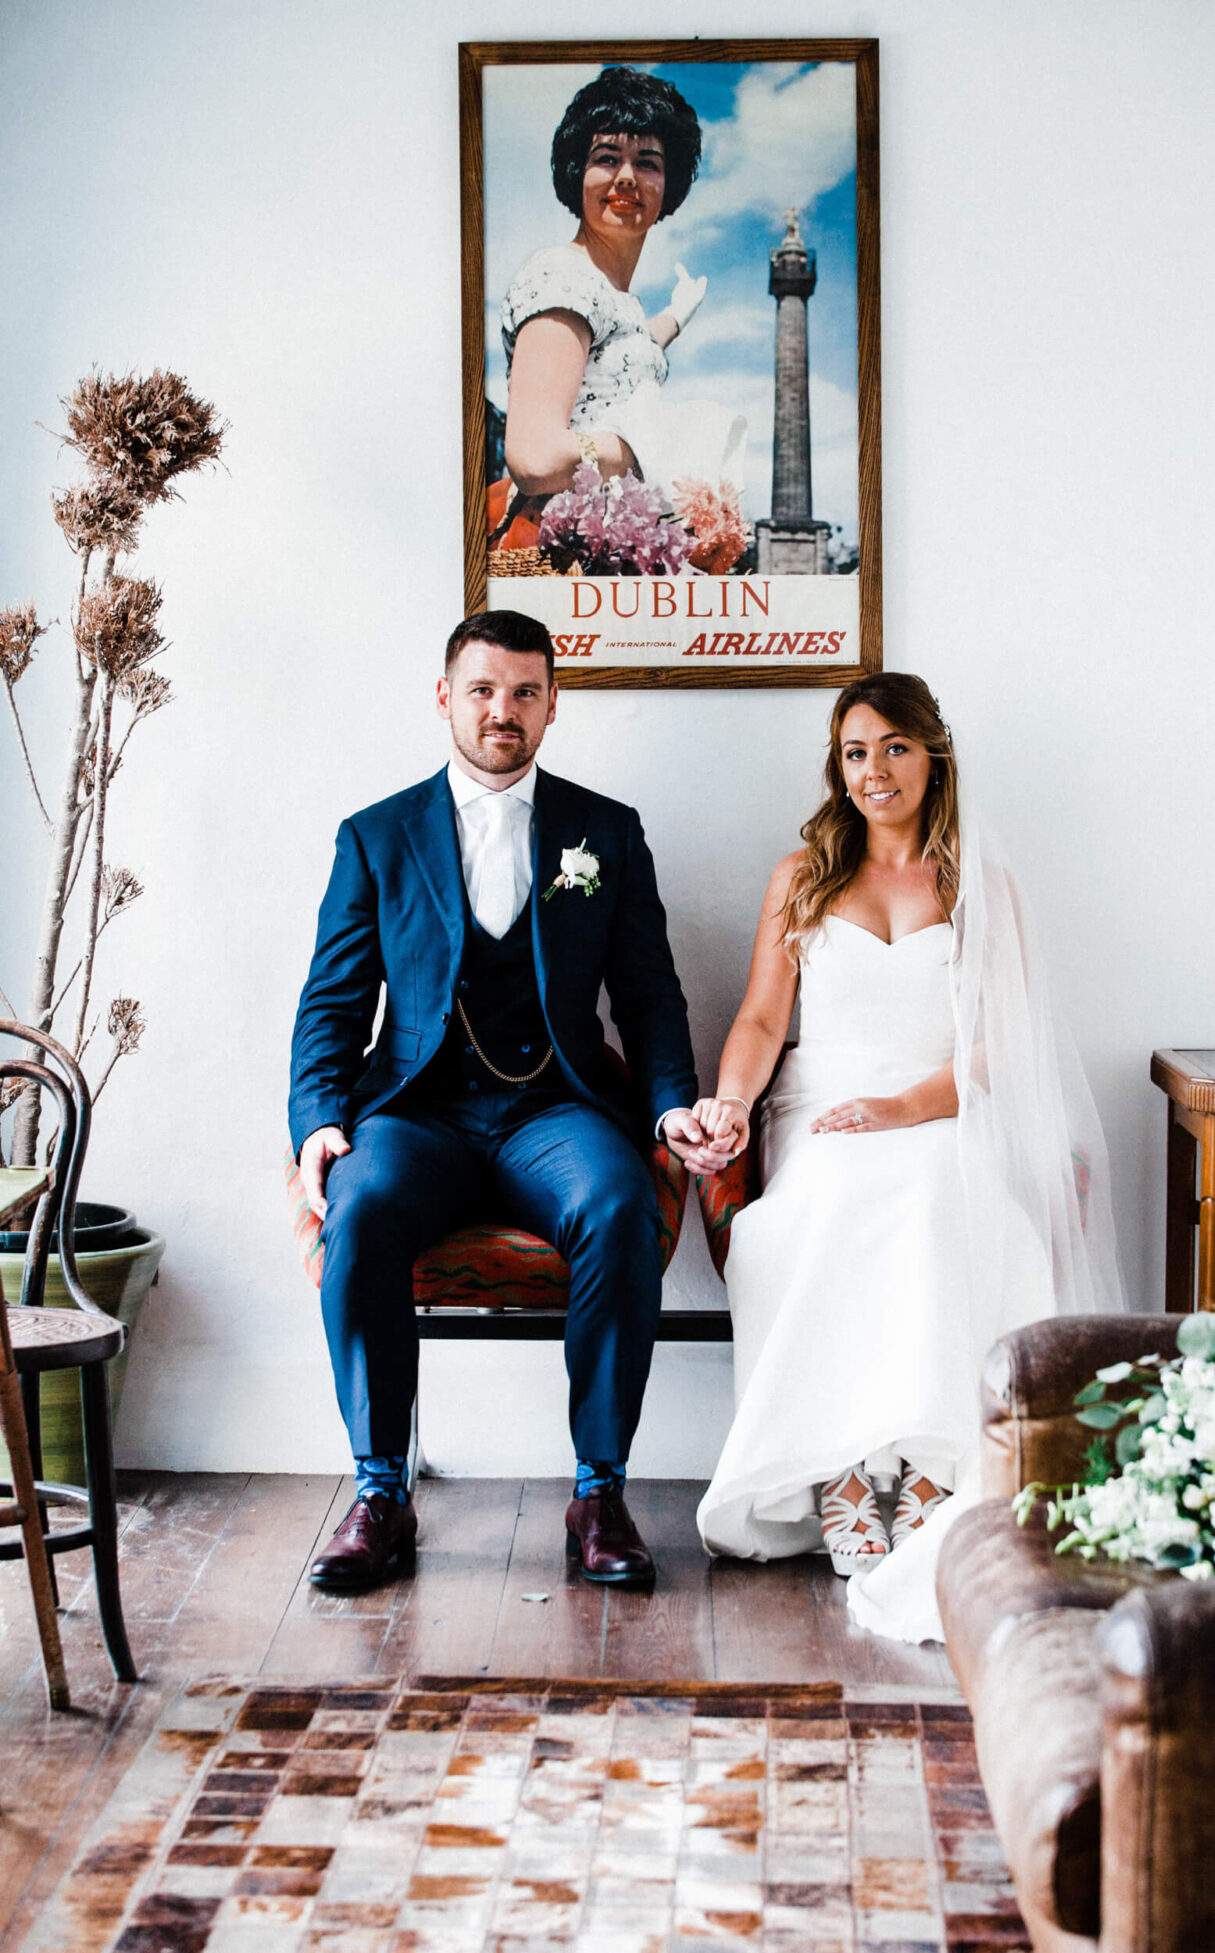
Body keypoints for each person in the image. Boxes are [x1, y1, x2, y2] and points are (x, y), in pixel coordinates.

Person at [288, 608, 730, 1593]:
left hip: (553, 1112)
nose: (503, 710)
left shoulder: (602, 833)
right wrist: (320, 1121)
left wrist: (667, 1107)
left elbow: (650, 995)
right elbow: (333, 1001)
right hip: (419, 1113)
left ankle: (598, 1492)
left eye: (525, 691)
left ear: (552, 705)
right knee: (359, 1212)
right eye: (483, 689)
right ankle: (377, 1496)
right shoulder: (376, 837)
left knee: (618, 1204)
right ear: (444, 697)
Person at [693, 674, 1124, 1643]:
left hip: (939, 1106)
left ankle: (922, 1469)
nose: (873, 770)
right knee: (832, 1197)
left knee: (935, 1191)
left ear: (933, 755)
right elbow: (764, 1017)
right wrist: (731, 1099)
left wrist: (906, 1106)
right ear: (835, 769)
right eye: (854, 752)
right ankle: (849, 1472)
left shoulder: (980, 883)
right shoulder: (800, 876)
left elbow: (995, 1047)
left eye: (893, 747)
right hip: (821, 1105)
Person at [492, 65, 743, 553]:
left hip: (608, 550)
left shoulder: (611, 296)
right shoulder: (563, 277)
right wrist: (653, 447)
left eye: (648, 162)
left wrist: (675, 317)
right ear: (576, 173)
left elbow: (619, 354)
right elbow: (534, 456)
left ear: (668, 185)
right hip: (561, 552)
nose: (627, 177)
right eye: (607, 158)